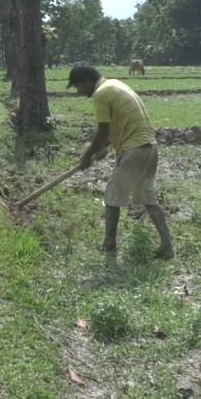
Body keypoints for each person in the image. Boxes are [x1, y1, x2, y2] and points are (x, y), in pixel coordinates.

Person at [67, 64, 174, 259]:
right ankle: (167, 246)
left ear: (86, 82)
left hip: (133, 151)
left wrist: (86, 156)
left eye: (78, 87)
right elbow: (120, 125)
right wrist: (103, 148)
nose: (79, 92)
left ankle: (109, 245)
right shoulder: (115, 84)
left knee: (112, 197)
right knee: (149, 199)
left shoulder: (100, 94)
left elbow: (102, 131)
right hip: (149, 149)